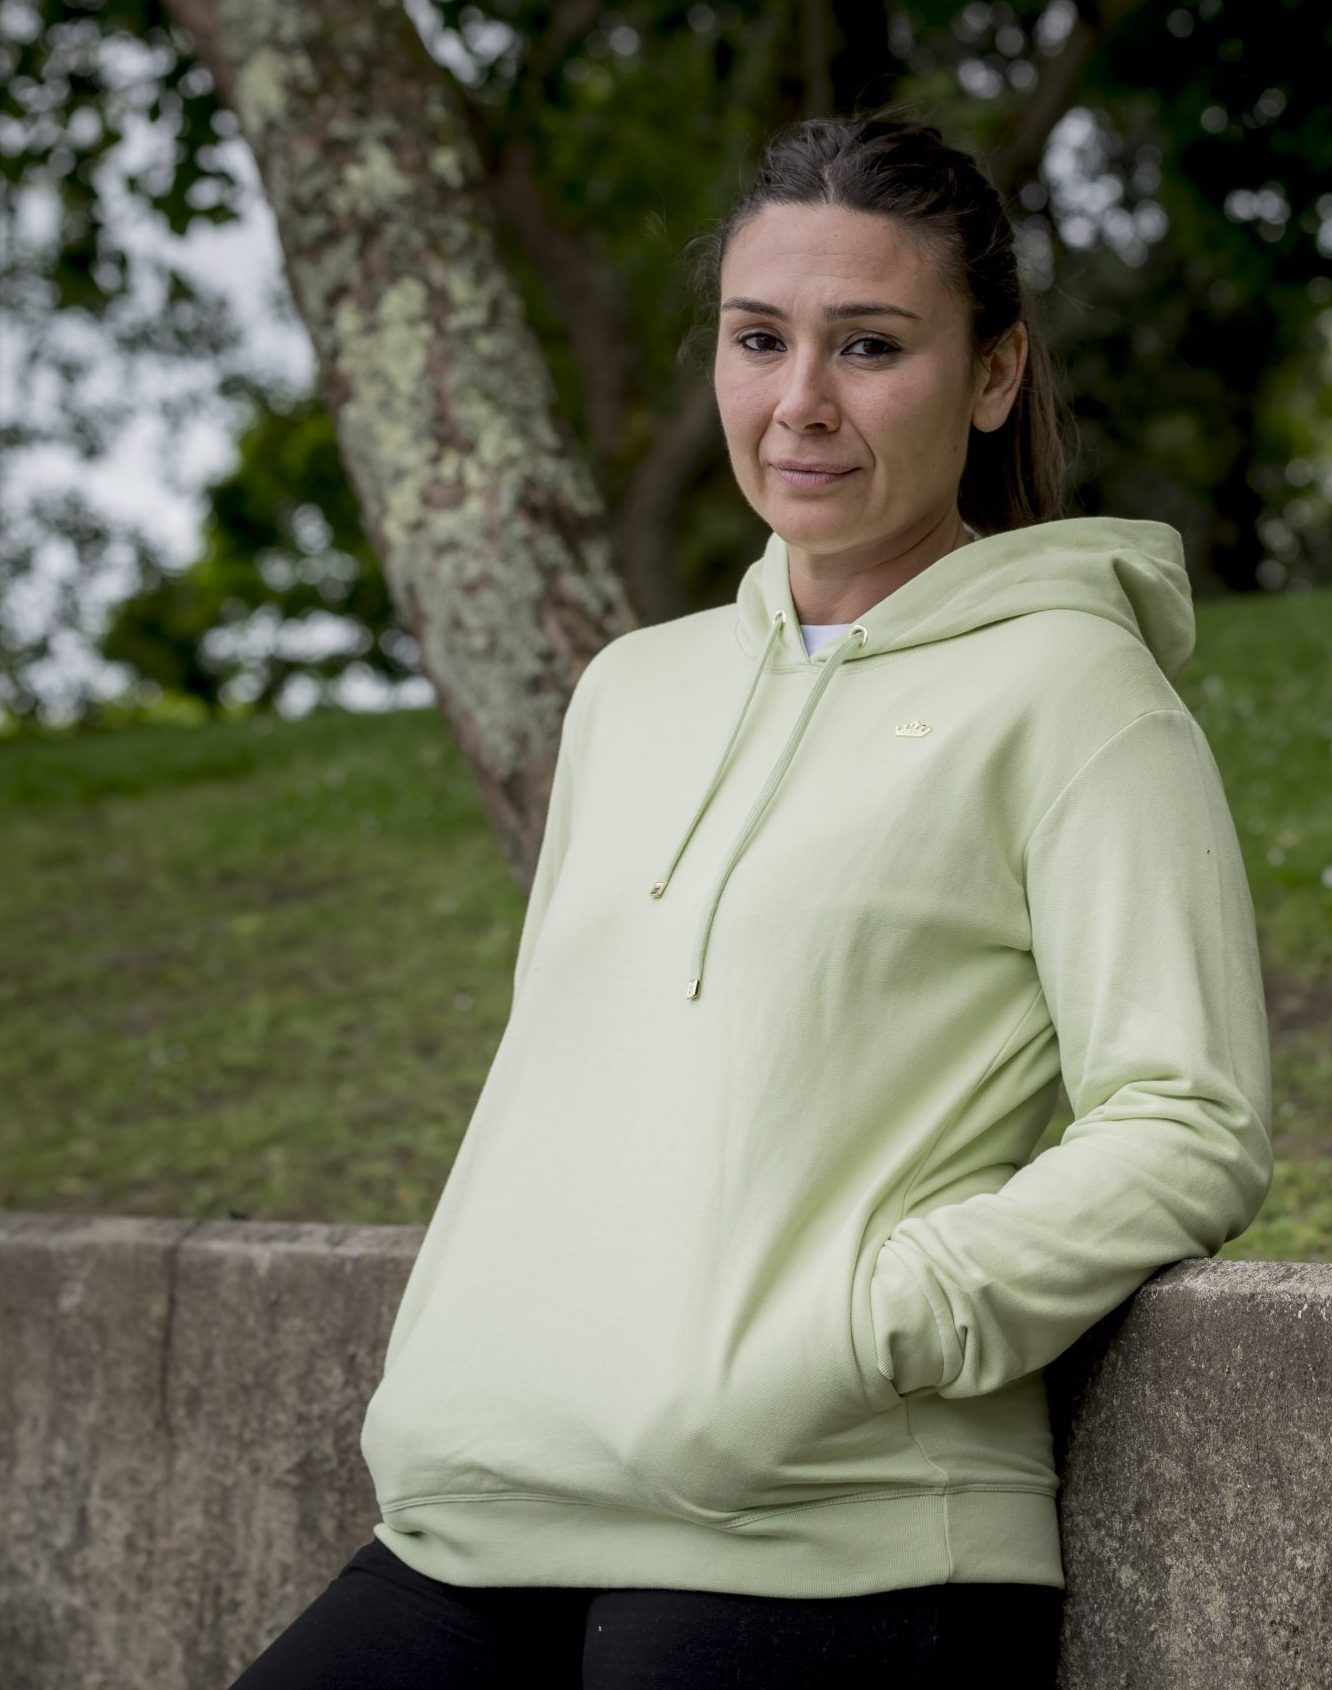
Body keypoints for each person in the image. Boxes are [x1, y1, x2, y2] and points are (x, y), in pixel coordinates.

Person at [229, 110, 1274, 1689]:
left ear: (992, 373)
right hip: (489, 1505)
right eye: (758, 338)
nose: (800, 404)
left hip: (833, 1522)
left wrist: (868, 1326)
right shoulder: (631, 691)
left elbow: (1186, 1117)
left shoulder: (1073, 689)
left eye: (869, 346)